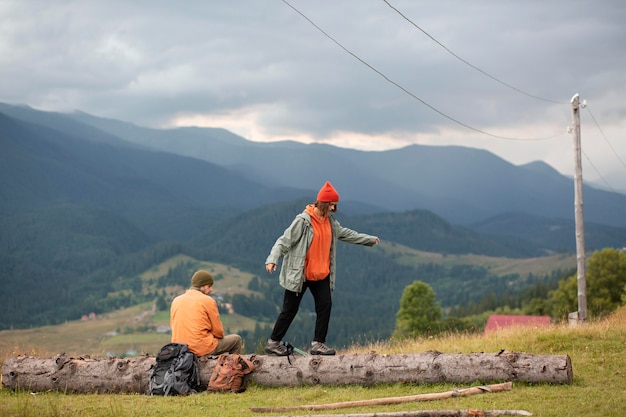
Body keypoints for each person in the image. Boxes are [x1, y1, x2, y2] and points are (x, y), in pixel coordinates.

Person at [264, 181, 380, 356]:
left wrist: (369, 239)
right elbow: (284, 241)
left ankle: (318, 344)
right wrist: (272, 259)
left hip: (321, 274)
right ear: (324, 204)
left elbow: (346, 234)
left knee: (325, 306)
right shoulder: (303, 221)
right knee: (289, 310)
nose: (334, 208)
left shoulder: (330, 222)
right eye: (332, 204)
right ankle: (273, 342)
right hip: (301, 274)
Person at [170, 270, 242, 356]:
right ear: (202, 286)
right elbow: (218, 332)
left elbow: (173, 326)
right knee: (236, 340)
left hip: (179, 349)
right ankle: (233, 368)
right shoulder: (208, 301)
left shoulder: (176, 300)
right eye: (209, 286)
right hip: (201, 349)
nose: (211, 289)